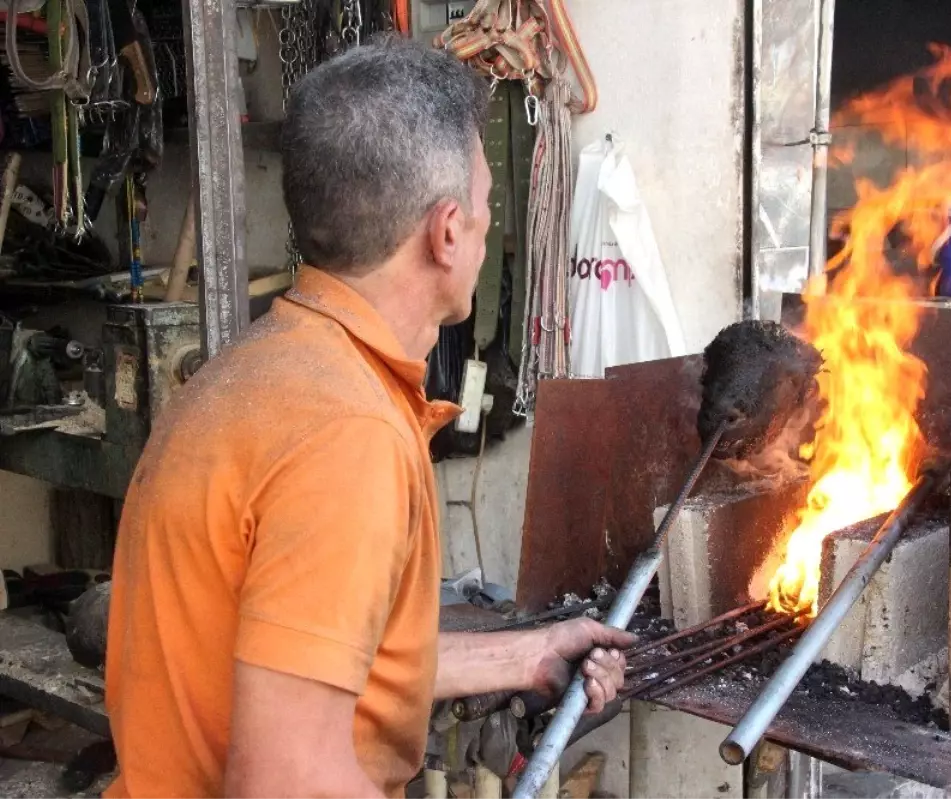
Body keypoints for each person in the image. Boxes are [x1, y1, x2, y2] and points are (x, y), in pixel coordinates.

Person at [104, 37, 634, 798]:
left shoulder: (256, 373)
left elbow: (326, 657)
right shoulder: (347, 437)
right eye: (485, 212)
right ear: (446, 233)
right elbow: (288, 780)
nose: (485, 233)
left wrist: (529, 653)